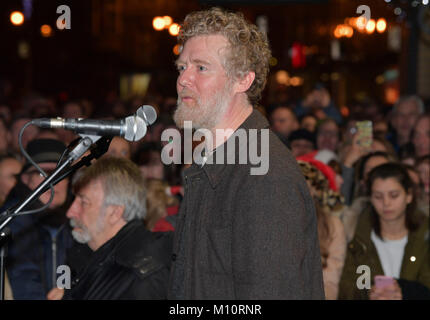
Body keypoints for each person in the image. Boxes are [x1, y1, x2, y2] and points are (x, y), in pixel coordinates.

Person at [168, 7, 324, 299]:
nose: (183, 80)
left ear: (243, 80)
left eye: (201, 67)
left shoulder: (264, 175)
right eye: (182, 67)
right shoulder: (214, 163)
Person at [64, 157, 172, 300]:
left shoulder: (137, 278)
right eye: (74, 200)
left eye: (84, 202)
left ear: (115, 213)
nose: (70, 212)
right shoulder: (90, 254)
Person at [339, 163, 430, 299]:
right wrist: (369, 293)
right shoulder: (356, 237)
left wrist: (404, 292)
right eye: (378, 196)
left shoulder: (426, 236)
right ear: (370, 198)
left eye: (394, 195)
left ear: (409, 196)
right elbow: (348, 289)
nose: (386, 203)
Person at [2, 139, 75, 300]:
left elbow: (71, 268)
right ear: (25, 179)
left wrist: (68, 291)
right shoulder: (13, 219)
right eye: (43, 173)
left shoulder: (74, 215)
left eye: (60, 174)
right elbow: (22, 276)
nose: (53, 182)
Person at [297, 160, 346, 300]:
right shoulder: (270, 222)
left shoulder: (332, 226)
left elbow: (330, 280)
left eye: (305, 187)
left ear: (315, 191)